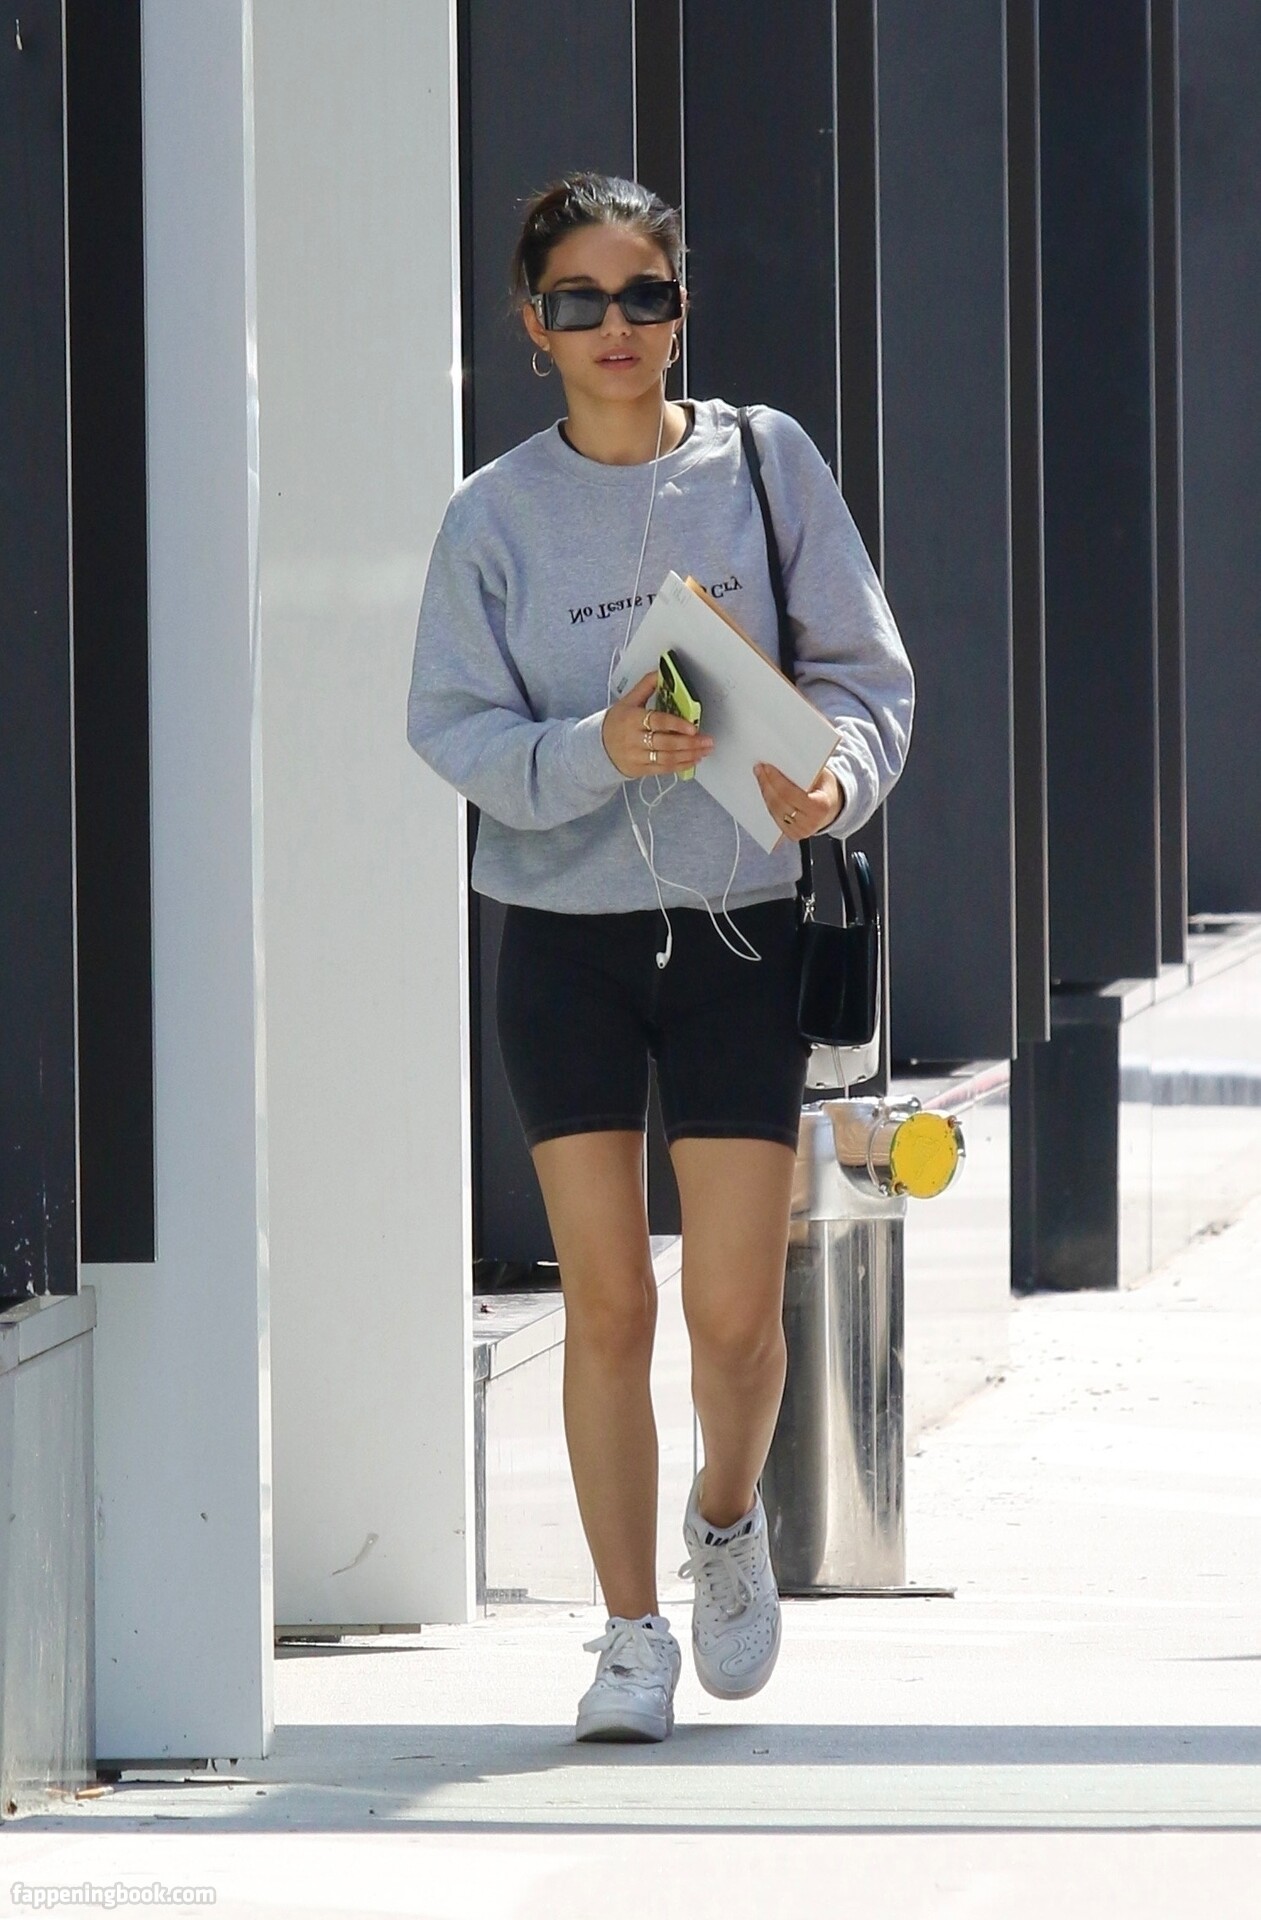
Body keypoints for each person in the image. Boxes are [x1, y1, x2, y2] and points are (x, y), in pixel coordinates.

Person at [408, 172, 914, 1744]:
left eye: (644, 295)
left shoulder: (762, 463)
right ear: (531, 324)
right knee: (609, 1303)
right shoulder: (491, 514)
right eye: (579, 301)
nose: (614, 327)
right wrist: (593, 750)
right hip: (563, 945)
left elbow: (867, 676)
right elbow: (451, 727)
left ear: (680, 311)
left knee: (736, 1321)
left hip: (740, 929)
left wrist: (834, 781)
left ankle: (724, 1519)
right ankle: (628, 1636)